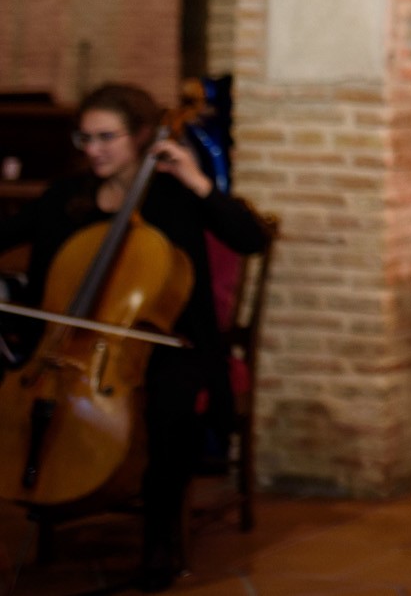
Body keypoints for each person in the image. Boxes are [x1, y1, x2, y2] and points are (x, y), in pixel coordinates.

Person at [0, 84, 270, 591]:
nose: (93, 149)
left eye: (107, 137)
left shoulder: (174, 197)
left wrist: (198, 182)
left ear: (143, 136)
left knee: (171, 399)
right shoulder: (67, 198)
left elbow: (250, 239)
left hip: (169, 342)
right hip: (69, 348)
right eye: (86, 137)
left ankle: (160, 537)